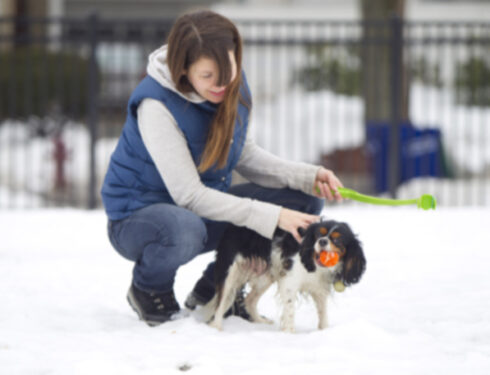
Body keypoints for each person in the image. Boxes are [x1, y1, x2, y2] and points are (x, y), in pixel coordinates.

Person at [101, 10, 343, 326]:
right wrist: (271, 216)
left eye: (227, 70)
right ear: (183, 69)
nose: (221, 84)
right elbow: (189, 195)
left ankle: (214, 288)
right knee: (186, 229)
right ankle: (149, 290)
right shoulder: (156, 105)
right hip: (138, 218)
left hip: (198, 206)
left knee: (303, 202)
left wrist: (306, 176)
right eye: (207, 76)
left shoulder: (232, 84)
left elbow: (244, 155)